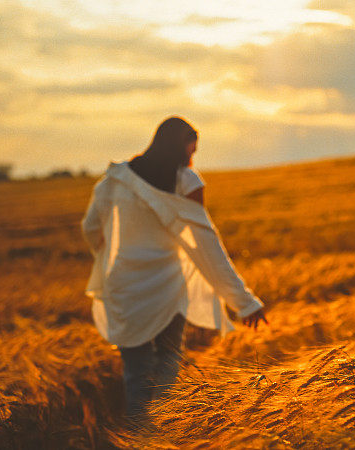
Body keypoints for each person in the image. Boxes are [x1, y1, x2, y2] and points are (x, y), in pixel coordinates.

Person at [81, 117, 268, 420]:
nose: (192, 158)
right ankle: (165, 429)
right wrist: (245, 302)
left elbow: (91, 228)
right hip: (167, 288)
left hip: (124, 287)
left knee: (136, 371)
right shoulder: (186, 181)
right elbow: (206, 244)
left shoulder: (114, 180)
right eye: (190, 150)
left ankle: (140, 436)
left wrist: (111, 254)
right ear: (180, 147)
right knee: (168, 357)